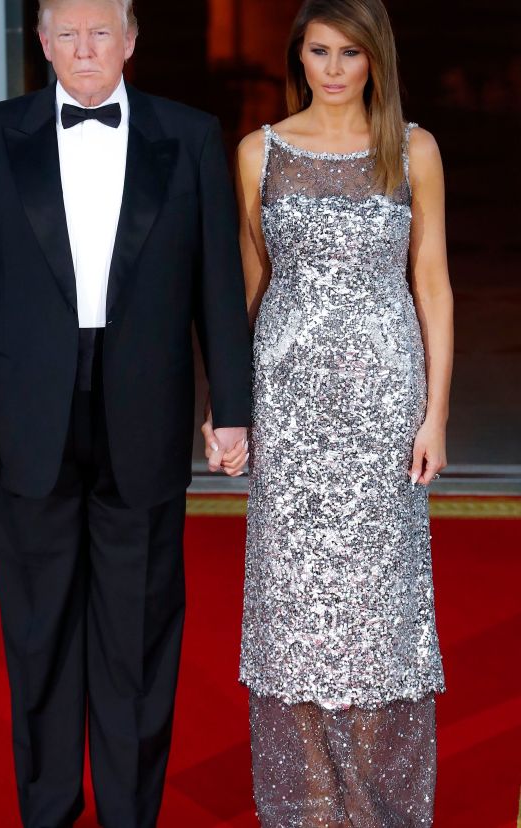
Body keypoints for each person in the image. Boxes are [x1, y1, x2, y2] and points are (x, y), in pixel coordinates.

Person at [0, 1, 251, 826]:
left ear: (132, 39)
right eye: (65, 33)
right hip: (22, 413)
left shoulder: (189, 137)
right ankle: (47, 813)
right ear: (39, 43)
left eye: (100, 31)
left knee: (138, 639)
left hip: (144, 408)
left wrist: (233, 408)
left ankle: (129, 816)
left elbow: (219, 284)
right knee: (37, 635)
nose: (83, 49)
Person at [202, 0, 453, 823]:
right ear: (298, 57)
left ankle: (380, 807)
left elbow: (434, 289)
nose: (335, 68)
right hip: (289, 406)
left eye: (350, 51)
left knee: (382, 614)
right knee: (294, 609)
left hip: (384, 403)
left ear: (375, 57)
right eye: (319, 51)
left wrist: (436, 415)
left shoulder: (413, 150)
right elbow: (245, 289)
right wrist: (223, 408)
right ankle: (307, 807)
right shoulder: (256, 154)